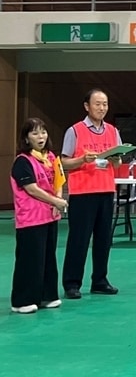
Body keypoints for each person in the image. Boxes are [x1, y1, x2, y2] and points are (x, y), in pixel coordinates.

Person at [60, 88, 120, 300]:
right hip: (83, 192)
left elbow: (118, 161)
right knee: (79, 239)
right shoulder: (74, 131)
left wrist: (116, 159)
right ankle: (72, 283)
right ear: (87, 106)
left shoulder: (113, 131)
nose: (102, 108)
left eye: (105, 104)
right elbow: (63, 161)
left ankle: (100, 281)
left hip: (106, 190)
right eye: (97, 104)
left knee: (104, 239)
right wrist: (81, 160)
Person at [11, 119, 67, 314]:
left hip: (49, 217)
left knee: (48, 258)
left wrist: (57, 201)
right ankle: (22, 300)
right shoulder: (22, 161)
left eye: (43, 132)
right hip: (31, 219)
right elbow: (32, 189)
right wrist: (54, 201)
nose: (40, 137)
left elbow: (59, 180)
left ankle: (47, 295)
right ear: (26, 138)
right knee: (30, 259)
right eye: (35, 133)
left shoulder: (51, 157)